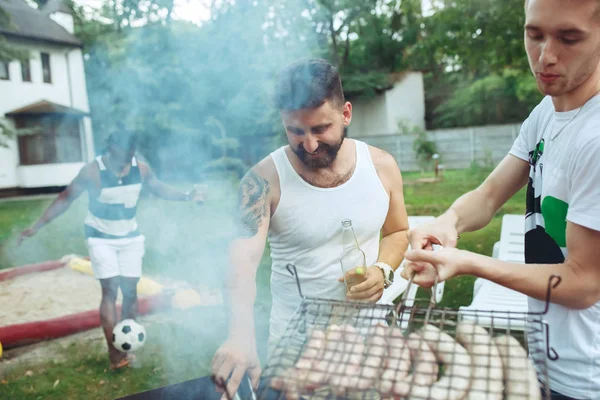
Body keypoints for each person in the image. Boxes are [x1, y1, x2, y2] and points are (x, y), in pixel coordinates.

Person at [401, 0, 600, 398]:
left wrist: (469, 263)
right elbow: (489, 194)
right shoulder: (545, 113)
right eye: (535, 34)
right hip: (551, 358)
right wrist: (447, 222)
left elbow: (583, 282)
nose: (545, 56)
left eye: (569, 37)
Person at [211, 58, 410, 397]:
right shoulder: (262, 181)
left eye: (321, 129)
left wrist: (383, 269)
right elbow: (241, 262)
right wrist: (240, 333)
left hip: (370, 337)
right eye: (296, 131)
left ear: (345, 114)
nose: (310, 145)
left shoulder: (382, 166)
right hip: (296, 345)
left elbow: (397, 232)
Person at [18, 131, 204, 370]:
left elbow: (158, 188)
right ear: (110, 147)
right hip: (100, 238)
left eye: (130, 151)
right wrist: (37, 226)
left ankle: (128, 345)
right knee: (110, 291)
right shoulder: (92, 171)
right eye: (122, 151)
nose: (126, 156)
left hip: (131, 238)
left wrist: (187, 196)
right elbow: (66, 198)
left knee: (130, 293)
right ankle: (115, 355)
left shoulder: (141, 169)